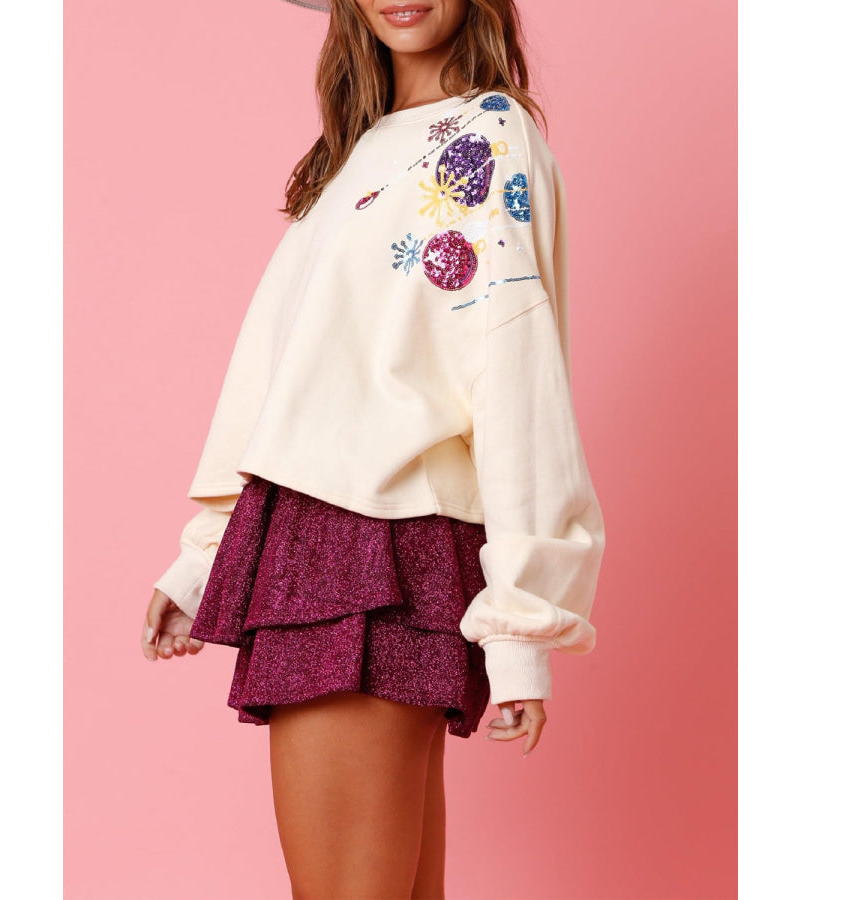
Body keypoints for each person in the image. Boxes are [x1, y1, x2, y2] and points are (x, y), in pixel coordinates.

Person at [140, 1, 606, 896]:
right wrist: (207, 556)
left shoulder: (488, 135)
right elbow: (287, 369)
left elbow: (517, 373)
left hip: (375, 548)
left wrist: (523, 622)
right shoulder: (355, 152)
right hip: (312, 538)